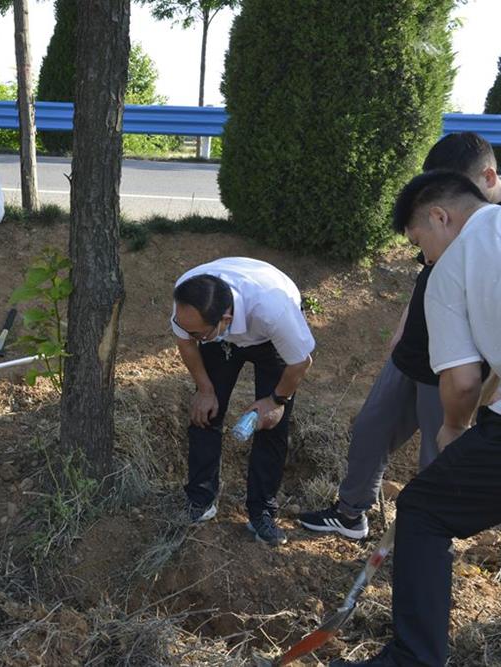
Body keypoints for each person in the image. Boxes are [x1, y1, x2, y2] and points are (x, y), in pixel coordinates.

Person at [330, 171, 501, 666]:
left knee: (423, 509)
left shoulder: (450, 269)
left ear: (439, 217)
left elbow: (462, 381)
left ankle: (413, 658)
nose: (424, 258)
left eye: (419, 242)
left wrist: (454, 428)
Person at [300, 132, 501, 539]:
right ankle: (351, 513)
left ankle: (427, 545)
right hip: (415, 349)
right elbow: (429, 269)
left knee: (440, 458)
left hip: (457, 365)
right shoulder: (443, 217)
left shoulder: (484, 226)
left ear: (488, 178)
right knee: (371, 428)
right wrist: (407, 319)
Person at [171, 258, 315, 547]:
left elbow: (300, 362)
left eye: (198, 333)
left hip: (268, 338)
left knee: (271, 424)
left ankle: (262, 511)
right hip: (219, 339)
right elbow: (186, 342)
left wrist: (276, 401)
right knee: (205, 412)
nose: (192, 335)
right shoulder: (188, 296)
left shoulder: (274, 310)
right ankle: (200, 499)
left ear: (225, 320)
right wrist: (205, 389)